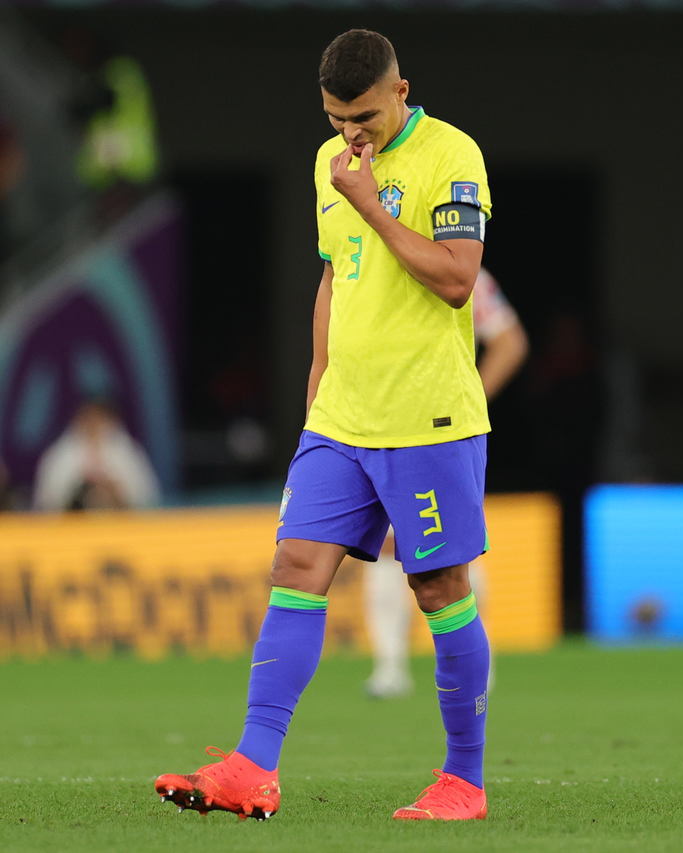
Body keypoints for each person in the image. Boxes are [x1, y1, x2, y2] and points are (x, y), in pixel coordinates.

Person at [155, 29, 494, 821]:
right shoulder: (327, 164)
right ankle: (251, 765)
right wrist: (318, 375)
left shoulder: (453, 156)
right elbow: (335, 270)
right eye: (337, 117)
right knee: (296, 565)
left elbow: (455, 278)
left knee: (438, 585)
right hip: (343, 413)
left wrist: (372, 205)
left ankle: (464, 781)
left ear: (401, 91)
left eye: (366, 117)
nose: (351, 133)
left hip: (427, 416)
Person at [364, 266, 527, 699]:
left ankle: (472, 665)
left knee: (456, 549)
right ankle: (390, 668)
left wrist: (470, 399)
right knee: (385, 547)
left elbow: (509, 341)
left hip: (441, 427)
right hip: (375, 425)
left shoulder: (458, 269)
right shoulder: (362, 266)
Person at [32, 398, 160, 512]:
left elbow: (145, 495)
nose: (94, 422)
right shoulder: (61, 453)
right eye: (89, 417)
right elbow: (49, 499)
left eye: (99, 417)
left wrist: (112, 489)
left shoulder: (126, 451)